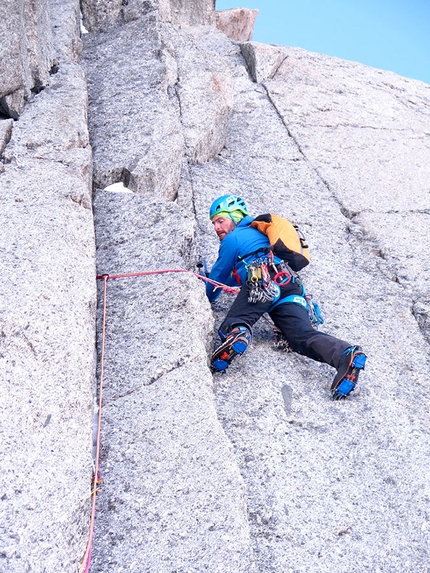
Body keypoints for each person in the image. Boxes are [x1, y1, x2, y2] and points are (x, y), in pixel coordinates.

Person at [206, 194, 367, 399]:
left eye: (221, 220)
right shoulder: (260, 237)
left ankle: (237, 334)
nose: (216, 227)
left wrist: (203, 289)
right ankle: (346, 355)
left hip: (264, 279)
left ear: (236, 217)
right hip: (290, 286)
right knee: (301, 336)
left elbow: (216, 282)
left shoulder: (233, 238)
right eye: (213, 223)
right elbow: (237, 275)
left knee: (237, 320)